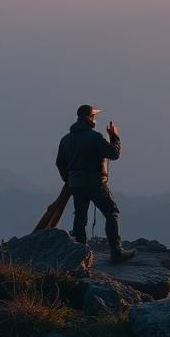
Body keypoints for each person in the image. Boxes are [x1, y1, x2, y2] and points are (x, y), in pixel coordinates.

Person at [56, 104, 136, 263]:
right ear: (90, 118)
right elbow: (113, 154)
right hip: (96, 184)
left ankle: (80, 256)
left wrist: (69, 180)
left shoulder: (66, 139)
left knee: (80, 217)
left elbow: (60, 163)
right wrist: (114, 136)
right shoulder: (95, 137)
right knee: (111, 212)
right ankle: (116, 253)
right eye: (94, 116)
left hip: (76, 185)